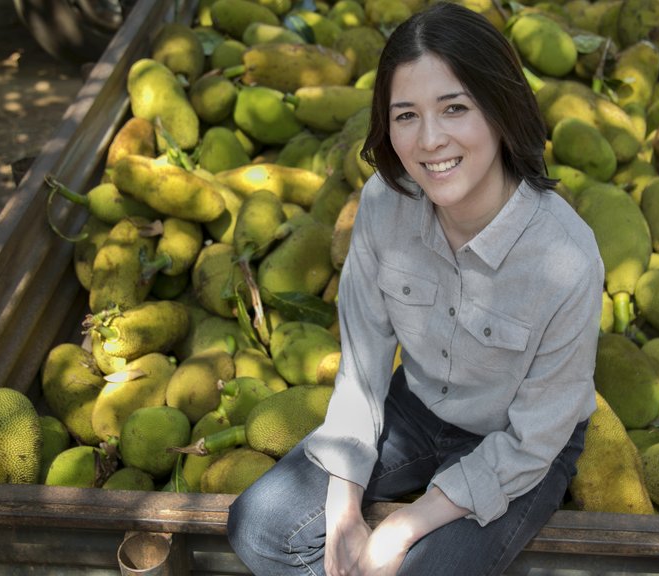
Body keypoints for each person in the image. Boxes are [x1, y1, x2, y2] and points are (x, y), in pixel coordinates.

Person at [226, 3, 604, 575]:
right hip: (418, 407)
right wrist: (345, 502)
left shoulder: (568, 260)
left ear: (500, 110)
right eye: (406, 116)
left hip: (522, 444)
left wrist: (406, 523)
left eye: (455, 108)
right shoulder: (383, 205)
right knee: (258, 525)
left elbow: (533, 441)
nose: (430, 140)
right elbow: (362, 372)